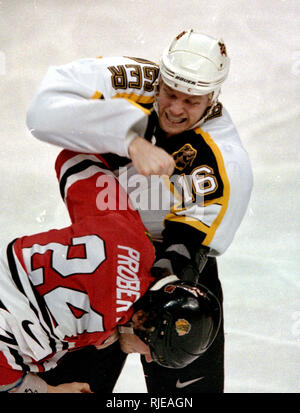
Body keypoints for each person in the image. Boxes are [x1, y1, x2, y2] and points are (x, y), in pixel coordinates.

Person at [26, 29, 253, 393]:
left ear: (213, 97)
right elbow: (41, 114)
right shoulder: (132, 80)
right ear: (159, 77)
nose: (175, 108)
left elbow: (184, 253)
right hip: (97, 254)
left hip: (170, 266)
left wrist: (127, 317)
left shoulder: (224, 160)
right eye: (170, 93)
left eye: (192, 101)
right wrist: (128, 140)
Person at [0, 149, 222, 393]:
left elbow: (75, 160)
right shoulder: (81, 326)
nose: (148, 360)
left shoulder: (133, 240)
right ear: (139, 319)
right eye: (153, 352)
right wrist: (50, 392)